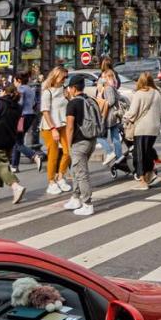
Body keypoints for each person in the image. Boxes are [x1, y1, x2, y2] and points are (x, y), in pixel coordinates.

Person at [60, 76, 99, 217]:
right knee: (77, 170)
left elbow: (69, 127)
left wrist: (69, 145)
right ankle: (75, 198)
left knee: (81, 174)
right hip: (91, 140)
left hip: (79, 142)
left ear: (73, 88)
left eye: (69, 88)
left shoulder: (73, 104)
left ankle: (87, 204)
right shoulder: (90, 100)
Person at [119, 72, 161, 188]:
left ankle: (142, 180)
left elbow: (133, 112)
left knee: (139, 154)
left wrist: (124, 117)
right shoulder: (157, 93)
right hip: (154, 127)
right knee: (147, 151)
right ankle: (150, 172)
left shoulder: (139, 94)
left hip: (142, 128)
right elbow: (160, 113)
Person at [0, 82, 26, 205]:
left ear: (3, 91)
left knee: (0, 165)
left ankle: (15, 186)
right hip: (10, 139)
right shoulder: (18, 106)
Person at [39, 66, 71, 195]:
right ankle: (51, 182)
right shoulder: (48, 92)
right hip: (49, 126)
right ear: (56, 76)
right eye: (63, 77)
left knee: (68, 151)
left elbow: (69, 105)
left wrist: (69, 98)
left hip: (63, 124)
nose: (65, 79)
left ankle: (60, 177)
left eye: (66, 77)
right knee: (53, 155)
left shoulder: (64, 90)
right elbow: (45, 112)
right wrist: (53, 129)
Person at [11, 71, 42, 172]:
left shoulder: (21, 89)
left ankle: (34, 155)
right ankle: (14, 166)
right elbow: (34, 103)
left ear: (18, 80)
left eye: (14, 80)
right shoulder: (30, 89)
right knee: (18, 140)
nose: (14, 82)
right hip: (30, 116)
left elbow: (19, 103)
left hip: (22, 117)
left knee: (17, 142)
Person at [96, 68, 123, 166]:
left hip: (109, 116)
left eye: (103, 77)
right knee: (115, 137)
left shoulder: (108, 88)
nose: (102, 79)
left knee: (99, 136)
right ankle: (119, 157)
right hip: (113, 116)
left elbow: (111, 101)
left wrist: (102, 102)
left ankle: (110, 152)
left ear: (108, 77)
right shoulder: (111, 86)